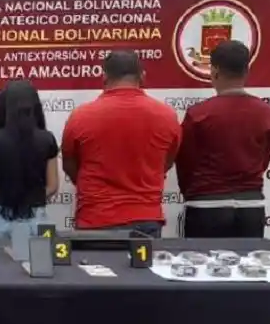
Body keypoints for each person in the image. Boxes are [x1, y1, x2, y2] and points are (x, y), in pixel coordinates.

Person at [60, 50, 181, 237]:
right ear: (143, 76)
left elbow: (69, 164)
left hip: (96, 218)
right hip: (146, 217)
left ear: (104, 77)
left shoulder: (80, 117)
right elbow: (167, 161)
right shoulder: (167, 116)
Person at [175, 40, 270, 238]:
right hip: (251, 204)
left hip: (206, 204)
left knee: (201, 258)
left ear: (214, 71)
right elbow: (264, 159)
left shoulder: (199, 114)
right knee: (247, 258)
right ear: (246, 71)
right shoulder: (266, 113)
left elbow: (185, 162)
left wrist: (196, 191)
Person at [0, 80, 59, 244]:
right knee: (39, 259)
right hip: (36, 217)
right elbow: (53, 186)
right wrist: (30, 198)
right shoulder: (47, 139)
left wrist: (7, 197)